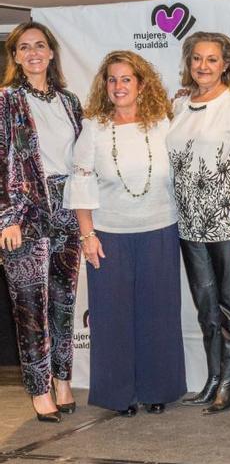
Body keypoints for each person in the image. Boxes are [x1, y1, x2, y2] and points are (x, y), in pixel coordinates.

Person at [64, 50, 184, 416]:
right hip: (109, 235)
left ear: (142, 84)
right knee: (112, 318)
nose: (119, 86)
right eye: (112, 80)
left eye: (126, 79)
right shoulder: (94, 128)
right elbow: (81, 182)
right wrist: (88, 236)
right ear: (105, 86)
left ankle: (156, 390)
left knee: (159, 314)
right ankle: (119, 396)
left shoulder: (165, 123)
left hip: (160, 230)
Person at [168, 32, 230, 414]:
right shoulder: (180, 105)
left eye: (212, 59)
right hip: (189, 224)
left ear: (226, 64)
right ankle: (212, 377)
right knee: (206, 308)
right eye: (197, 59)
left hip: (225, 219)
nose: (203, 66)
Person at [0, 21, 82, 422]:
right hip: (25, 215)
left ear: (51, 53)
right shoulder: (6, 100)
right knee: (31, 306)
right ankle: (39, 390)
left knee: (64, 303)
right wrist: (5, 218)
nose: (33, 53)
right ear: (15, 56)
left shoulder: (69, 101)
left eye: (40, 45)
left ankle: (63, 380)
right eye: (24, 47)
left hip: (68, 210)